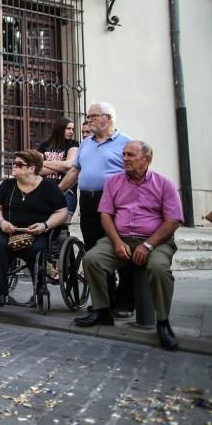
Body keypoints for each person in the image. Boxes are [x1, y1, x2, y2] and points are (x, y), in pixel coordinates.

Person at [74, 141, 184, 351]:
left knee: (158, 269)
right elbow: (105, 215)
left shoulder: (164, 183)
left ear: (146, 159)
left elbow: (173, 220)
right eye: (124, 154)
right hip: (121, 237)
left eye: (130, 155)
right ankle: (103, 311)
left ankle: (162, 322)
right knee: (91, 260)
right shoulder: (113, 182)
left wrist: (148, 245)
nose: (125, 158)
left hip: (155, 240)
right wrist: (116, 242)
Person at [58, 101, 133, 315]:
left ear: (108, 118)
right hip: (89, 202)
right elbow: (74, 172)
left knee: (122, 251)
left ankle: (125, 303)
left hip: (116, 202)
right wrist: (56, 194)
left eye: (93, 116)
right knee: (93, 251)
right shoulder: (86, 143)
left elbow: (136, 176)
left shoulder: (126, 143)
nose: (88, 120)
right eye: (88, 116)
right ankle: (104, 301)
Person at [0, 150, 67, 303]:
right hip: (9, 231)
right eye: (14, 163)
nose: (14, 166)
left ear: (32, 169)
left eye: (19, 164)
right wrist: (2, 222)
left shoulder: (49, 187)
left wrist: (45, 225)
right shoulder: (8, 185)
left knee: (36, 249)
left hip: (37, 233)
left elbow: (62, 212)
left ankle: (39, 288)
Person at [38, 116, 79, 218]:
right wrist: (61, 165)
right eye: (68, 128)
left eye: (72, 129)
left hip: (66, 193)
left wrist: (44, 162)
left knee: (62, 228)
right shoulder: (44, 145)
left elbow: (69, 165)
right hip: (44, 192)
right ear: (60, 128)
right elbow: (37, 169)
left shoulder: (73, 144)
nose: (71, 132)